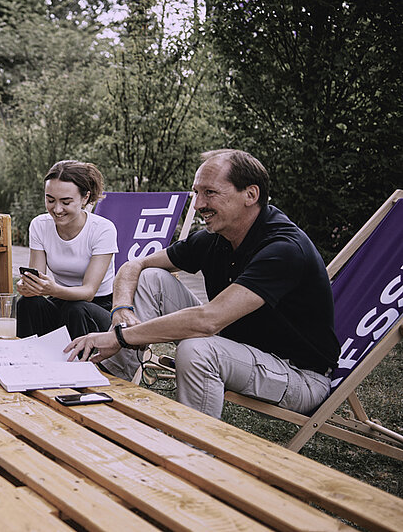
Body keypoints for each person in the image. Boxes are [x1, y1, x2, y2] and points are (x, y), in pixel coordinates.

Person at [66, 149, 339, 418]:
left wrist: (120, 337)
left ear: (250, 194)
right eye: (197, 192)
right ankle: (108, 386)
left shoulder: (283, 249)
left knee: (197, 349)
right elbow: (133, 266)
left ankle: (191, 454)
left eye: (210, 192)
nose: (197, 204)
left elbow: (208, 321)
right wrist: (121, 311)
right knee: (151, 278)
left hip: (297, 374)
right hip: (234, 346)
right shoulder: (217, 236)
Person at [16, 161, 118, 341]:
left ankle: (80, 367)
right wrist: (29, 286)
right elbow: (37, 277)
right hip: (61, 303)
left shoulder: (102, 229)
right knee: (28, 303)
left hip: (97, 307)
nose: (57, 209)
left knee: (76, 309)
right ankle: (28, 360)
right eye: (50, 200)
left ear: (85, 198)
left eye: (66, 202)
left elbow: (88, 292)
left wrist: (52, 289)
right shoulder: (40, 225)